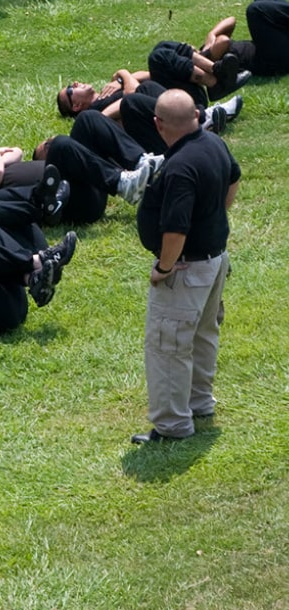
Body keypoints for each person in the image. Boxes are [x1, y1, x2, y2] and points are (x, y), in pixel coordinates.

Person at [135, 89, 240, 444]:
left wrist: (164, 269)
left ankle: (172, 425)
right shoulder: (213, 144)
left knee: (168, 346)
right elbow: (234, 179)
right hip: (214, 263)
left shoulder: (180, 166)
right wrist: (215, 216)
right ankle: (199, 403)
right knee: (202, 335)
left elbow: (176, 229)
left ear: (158, 124)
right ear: (196, 115)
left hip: (187, 270)